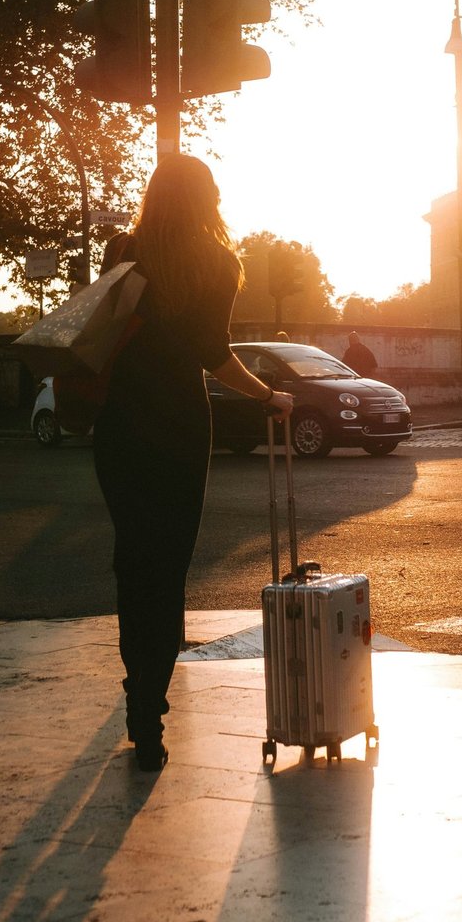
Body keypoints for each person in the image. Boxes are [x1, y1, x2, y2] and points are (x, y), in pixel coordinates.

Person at [94, 155, 293, 772]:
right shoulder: (219, 265)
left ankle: (141, 704)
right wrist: (268, 395)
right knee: (169, 566)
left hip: (122, 423)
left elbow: (100, 330)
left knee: (133, 560)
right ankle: (152, 702)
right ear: (207, 199)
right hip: (180, 426)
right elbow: (216, 356)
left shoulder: (124, 249)